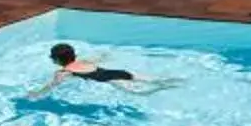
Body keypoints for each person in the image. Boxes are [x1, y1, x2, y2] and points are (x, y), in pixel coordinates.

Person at [29, 43, 176, 94]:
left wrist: (36, 93)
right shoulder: (84, 60)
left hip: (112, 80)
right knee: (156, 80)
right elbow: (101, 57)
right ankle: (175, 82)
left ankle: (166, 88)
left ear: (56, 60)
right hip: (119, 72)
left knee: (142, 93)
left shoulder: (63, 72)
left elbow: (51, 86)